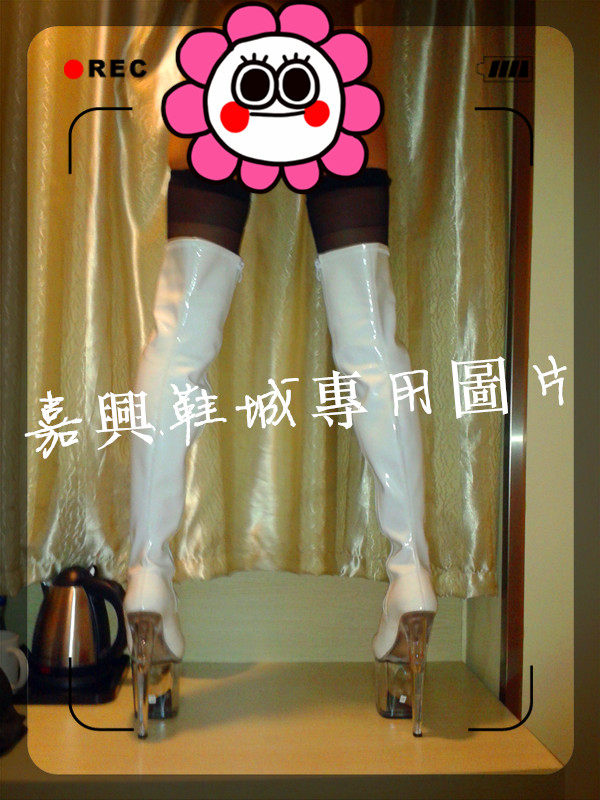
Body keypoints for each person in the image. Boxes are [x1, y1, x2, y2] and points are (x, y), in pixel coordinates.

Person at [124, 2, 436, 739]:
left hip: (229, 72)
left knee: (178, 341)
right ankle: (410, 572)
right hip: (332, 72)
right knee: (372, 345)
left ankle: (148, 573)